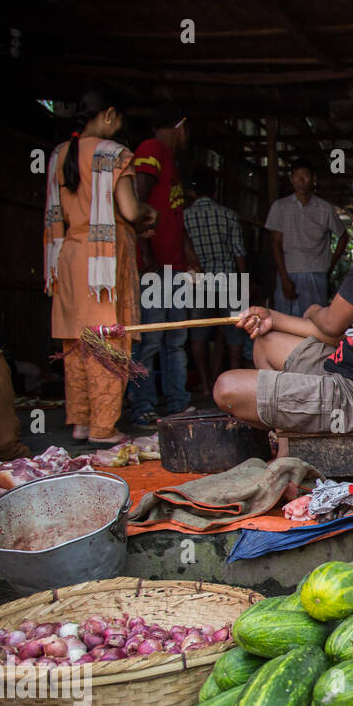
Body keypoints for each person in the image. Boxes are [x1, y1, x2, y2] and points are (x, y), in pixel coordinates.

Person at [213, 168, 353, 435]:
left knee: (226, 388)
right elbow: (332, 334)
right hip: (348, 367)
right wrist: (273, 318)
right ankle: (293, 431)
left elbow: (330, 325)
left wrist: (313, 310)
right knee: (265, 342)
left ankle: (295, 442)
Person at [45, 89, 157, 446]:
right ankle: (104, 428)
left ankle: (80, 422)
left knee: (77, 341)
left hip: (69, 256)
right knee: (108, 337)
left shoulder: (59, 154)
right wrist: (148, 213)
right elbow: (128, 209)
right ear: (108, 114)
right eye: (120, 119)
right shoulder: (114, 154)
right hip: (105, 261)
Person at [128, 101, 199, 429]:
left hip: (174, 268)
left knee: (176, 340)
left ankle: (177, 402)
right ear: (179, 126)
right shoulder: (151, 149)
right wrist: (148, 256)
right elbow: (137, 205)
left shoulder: (171, 160)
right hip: (155, 268)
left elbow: (174, 215)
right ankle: (142, 407)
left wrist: (189, 256)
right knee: (151, 340)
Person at [183, 171, 248, 390]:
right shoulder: (228, 215)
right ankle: (236, 382)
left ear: (192, 192)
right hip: (227, 278)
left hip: (197, 282)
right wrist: (244, 283)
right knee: (233, 333)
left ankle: (205, 382)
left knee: (199, 334)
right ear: (215, 191)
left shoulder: (185, 217)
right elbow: (239, 252)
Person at [264, 158, 349, 316]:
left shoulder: (325, 209)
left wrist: (329, 267)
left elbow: (344, 237)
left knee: (315, 325)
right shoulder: (280, 207)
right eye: (297, 176)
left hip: (316, 272)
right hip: (289, 271)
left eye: (305, 176)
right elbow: (275, 244)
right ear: (291, 179)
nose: (301, 181)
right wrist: (283, 277)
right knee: (285, 324)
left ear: (313, 179)